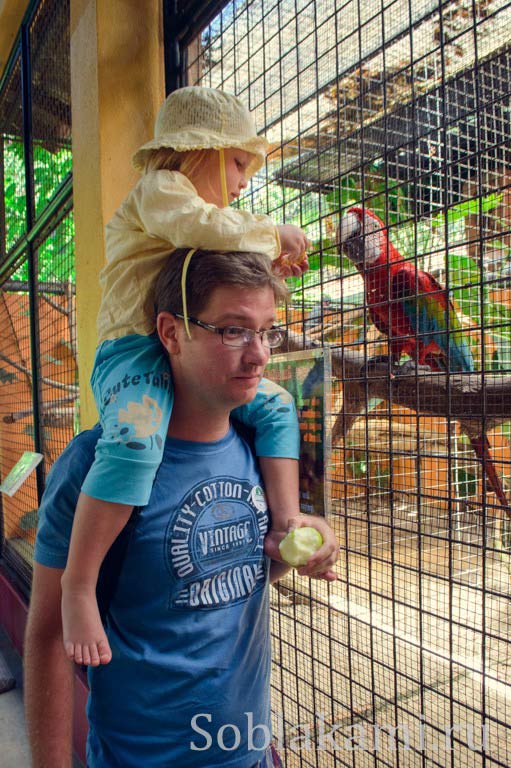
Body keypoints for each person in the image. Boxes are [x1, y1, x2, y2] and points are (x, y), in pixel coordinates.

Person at [24, 248, 339, 768]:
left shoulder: (259, 445)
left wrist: (301, 548)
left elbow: (247, 573)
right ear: (171, 334)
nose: (259, 355)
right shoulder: (93, 467)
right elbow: (49, 633)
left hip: (247, 752)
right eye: (234, 330)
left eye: (267, 332)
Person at [60, 86, 314, 667]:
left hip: (182, 347)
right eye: (238, 162)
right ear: (199, 151)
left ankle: (286, 521)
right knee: (136, 439)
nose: (245, 179)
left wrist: (265, 261)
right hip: (134, 351)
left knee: (276, 406)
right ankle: (79, 585)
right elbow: (207, 227)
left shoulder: (203, 219)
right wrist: (275, 235)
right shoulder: (162, 190)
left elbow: (216, 252)